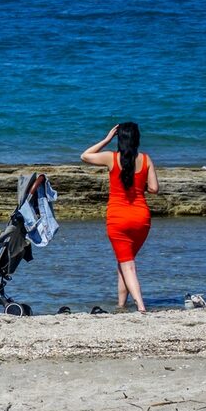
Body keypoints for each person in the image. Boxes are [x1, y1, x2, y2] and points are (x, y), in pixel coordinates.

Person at [80, 122, 159, 312]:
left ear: (119, 139)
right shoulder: (146, 159)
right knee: (124, 261)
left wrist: (106, 139)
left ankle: (140, 305)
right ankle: (121, 305)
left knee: (128, 264)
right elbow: (155, 189)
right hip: (141, 219)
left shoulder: (111, 158)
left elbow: (85, 156)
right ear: (137, 139)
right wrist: (140, 186)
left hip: (118, 219)